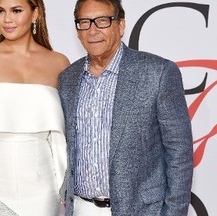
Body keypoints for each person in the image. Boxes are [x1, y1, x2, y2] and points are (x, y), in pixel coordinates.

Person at [58, 0, 193, 215]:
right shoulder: (68, 79)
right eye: (84, 22)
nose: (92, 30)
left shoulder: (158, 73)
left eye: (102, 21)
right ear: (77, 30)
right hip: (80, 208)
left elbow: (180, 154)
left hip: (141, 210)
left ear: (121, 26)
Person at [0, 0, 69, 215]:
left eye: (16, 10)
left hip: (45, 190)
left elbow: (66, 137)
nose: (7, 19)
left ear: (35, 13)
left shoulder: (58, 63)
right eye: (0, 11)